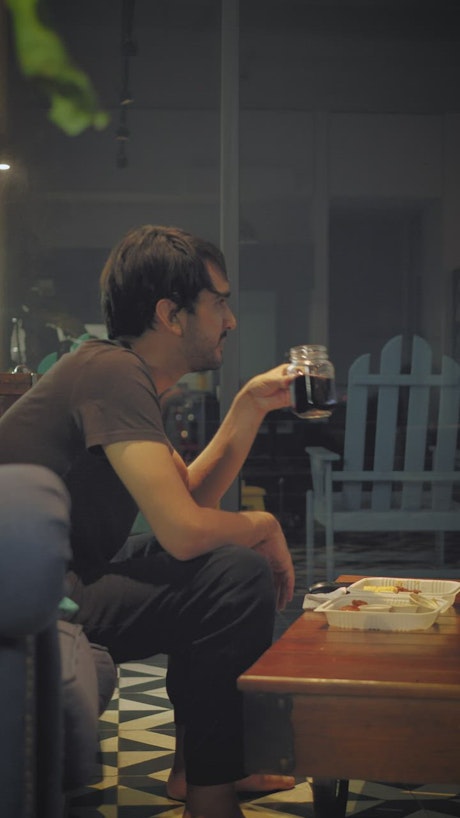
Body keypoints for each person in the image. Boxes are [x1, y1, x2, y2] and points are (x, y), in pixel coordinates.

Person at [0, 224, 296, 818]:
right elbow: (183, 529)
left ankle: (197, 770)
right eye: (219, 302)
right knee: (234, 573)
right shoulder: (114, 374)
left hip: (55, 580)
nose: (230, 320)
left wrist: (247, 406)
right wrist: (263, 524)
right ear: (172, 314)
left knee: (222, 564)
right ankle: (212, 795)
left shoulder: (115, 372)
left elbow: (186, 499)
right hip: (32, 595)